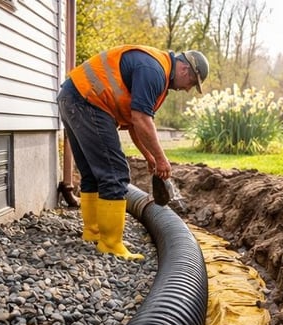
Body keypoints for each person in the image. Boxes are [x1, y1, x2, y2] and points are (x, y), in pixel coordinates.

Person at [58, 46, 209, 260]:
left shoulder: (156, 70)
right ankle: (110, 244)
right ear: (185, 69)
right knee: (115, 173)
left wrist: (149, 156)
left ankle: (93, 233)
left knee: (92, 172)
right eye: (192, 83)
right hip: (89, 102)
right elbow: (141, 120)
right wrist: (161, 159)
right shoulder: (154, 71)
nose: (188, 89)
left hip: (72, 96)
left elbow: (134, 123)